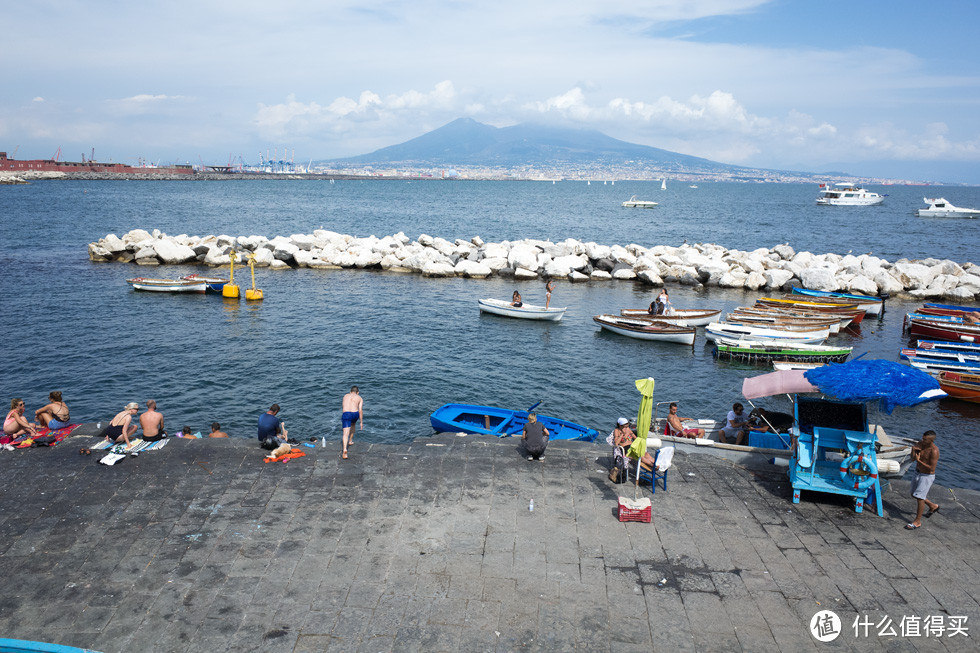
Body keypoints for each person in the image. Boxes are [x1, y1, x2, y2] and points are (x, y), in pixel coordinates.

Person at [907, 430, 940, 530]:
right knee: (913, 494)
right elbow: (912, 459)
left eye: (925, 440)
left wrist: (919, 461)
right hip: (918, 472)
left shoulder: (934, 451)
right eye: (923, 438)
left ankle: (917, 522)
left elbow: (931, 468)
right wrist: (913, 450)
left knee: (920, 497)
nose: (922, 441)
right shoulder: (920, 444)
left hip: (927, 476)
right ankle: (933, 506)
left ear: (931, 440)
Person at [341, 386, 363, 460]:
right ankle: (350, 441)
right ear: (358, 392)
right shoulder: (360, 398)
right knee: (353, 424)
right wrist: (361, 422)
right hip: (355, 414)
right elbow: (360, 410)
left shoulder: (345, 396)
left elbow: (343, 406)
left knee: (345, 433)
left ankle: (344, 449)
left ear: (350, 392)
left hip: (347, 414)